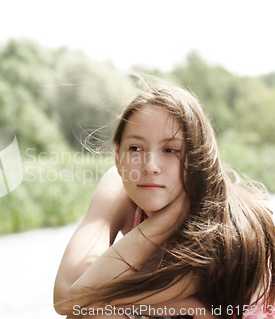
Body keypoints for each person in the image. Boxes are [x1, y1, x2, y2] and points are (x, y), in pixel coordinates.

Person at [53, 75, 275, 319]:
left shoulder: (223, 232)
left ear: (198, 159)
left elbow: (83, 295)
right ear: (118, 158)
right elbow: (66, 297)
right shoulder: (119, 188)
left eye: (171, 150)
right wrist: (170, 216)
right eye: (135, 148)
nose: (150, 166)